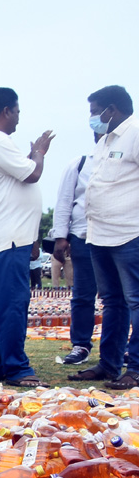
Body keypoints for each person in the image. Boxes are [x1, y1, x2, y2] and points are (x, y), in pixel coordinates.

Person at [0, 87, 53, 388]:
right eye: (17, 111)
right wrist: (39, 153)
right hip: (8, 237)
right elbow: (32, 174)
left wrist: (31, 156)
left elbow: (18, 175)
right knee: (13, 303)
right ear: (7, 110)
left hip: (5, 236)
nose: (18, 118)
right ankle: (17, 368)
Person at [71, 85, 139, 389]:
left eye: (94, 111)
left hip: (129, 233)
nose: (92, 118)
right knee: (113, 302)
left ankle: (135, 367)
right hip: (99, 235)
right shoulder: (105, 141)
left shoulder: (135, 133)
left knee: (136, 301)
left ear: (112, 110)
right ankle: (109, 364)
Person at [58, 139, 102, 368]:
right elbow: (65, 201)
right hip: (83, 236)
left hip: (119, 236)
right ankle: (81, 345)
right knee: (83, 294)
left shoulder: (129, 160)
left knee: (123, 297)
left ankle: (121, 348)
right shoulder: (81, 163)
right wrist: (60, 236)